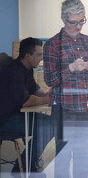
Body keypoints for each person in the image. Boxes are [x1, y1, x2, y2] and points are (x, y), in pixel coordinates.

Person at [43, 0, 88, 178]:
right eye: (73, 22)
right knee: (63, 156)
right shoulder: (53, 44)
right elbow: (49, 80)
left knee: (85, 155)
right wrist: (70, 68)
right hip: (64, 107)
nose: (78, 26)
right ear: (63, 19)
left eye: (82, 21)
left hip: (87, 105)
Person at [0, 37, 53, 175]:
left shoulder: (27, 69)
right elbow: (26, 101)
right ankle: (21, 168)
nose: (41, 58)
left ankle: (26, 165)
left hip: (17, 115)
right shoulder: (14, 71)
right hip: (5, 119)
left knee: (53, 124)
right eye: (39, 55)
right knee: (48, 127)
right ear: (28, 56)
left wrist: (51, 92)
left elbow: (36, 91)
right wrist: (50, 98)